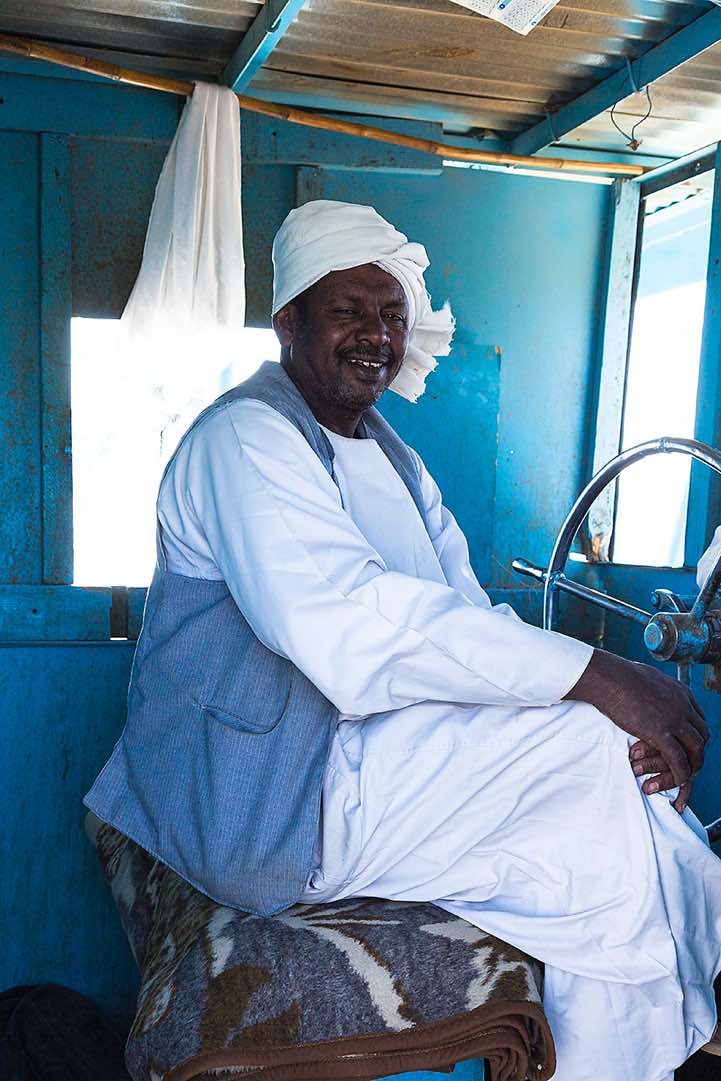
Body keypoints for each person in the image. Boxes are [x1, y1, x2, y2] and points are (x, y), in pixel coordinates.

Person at [86, 199, 721, 1081]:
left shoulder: (393, 459)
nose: (376, 335)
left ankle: (658, 1024)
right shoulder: (244, 438)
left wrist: (609, 699)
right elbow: (350, 629)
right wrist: (602, 676)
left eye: (391, 314)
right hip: (273, 797)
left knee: (606, 780)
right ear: (288, 322)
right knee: (591, 754)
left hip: (368, 759)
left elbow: (461, 614)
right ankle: (668, 1021)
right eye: (348, 311)